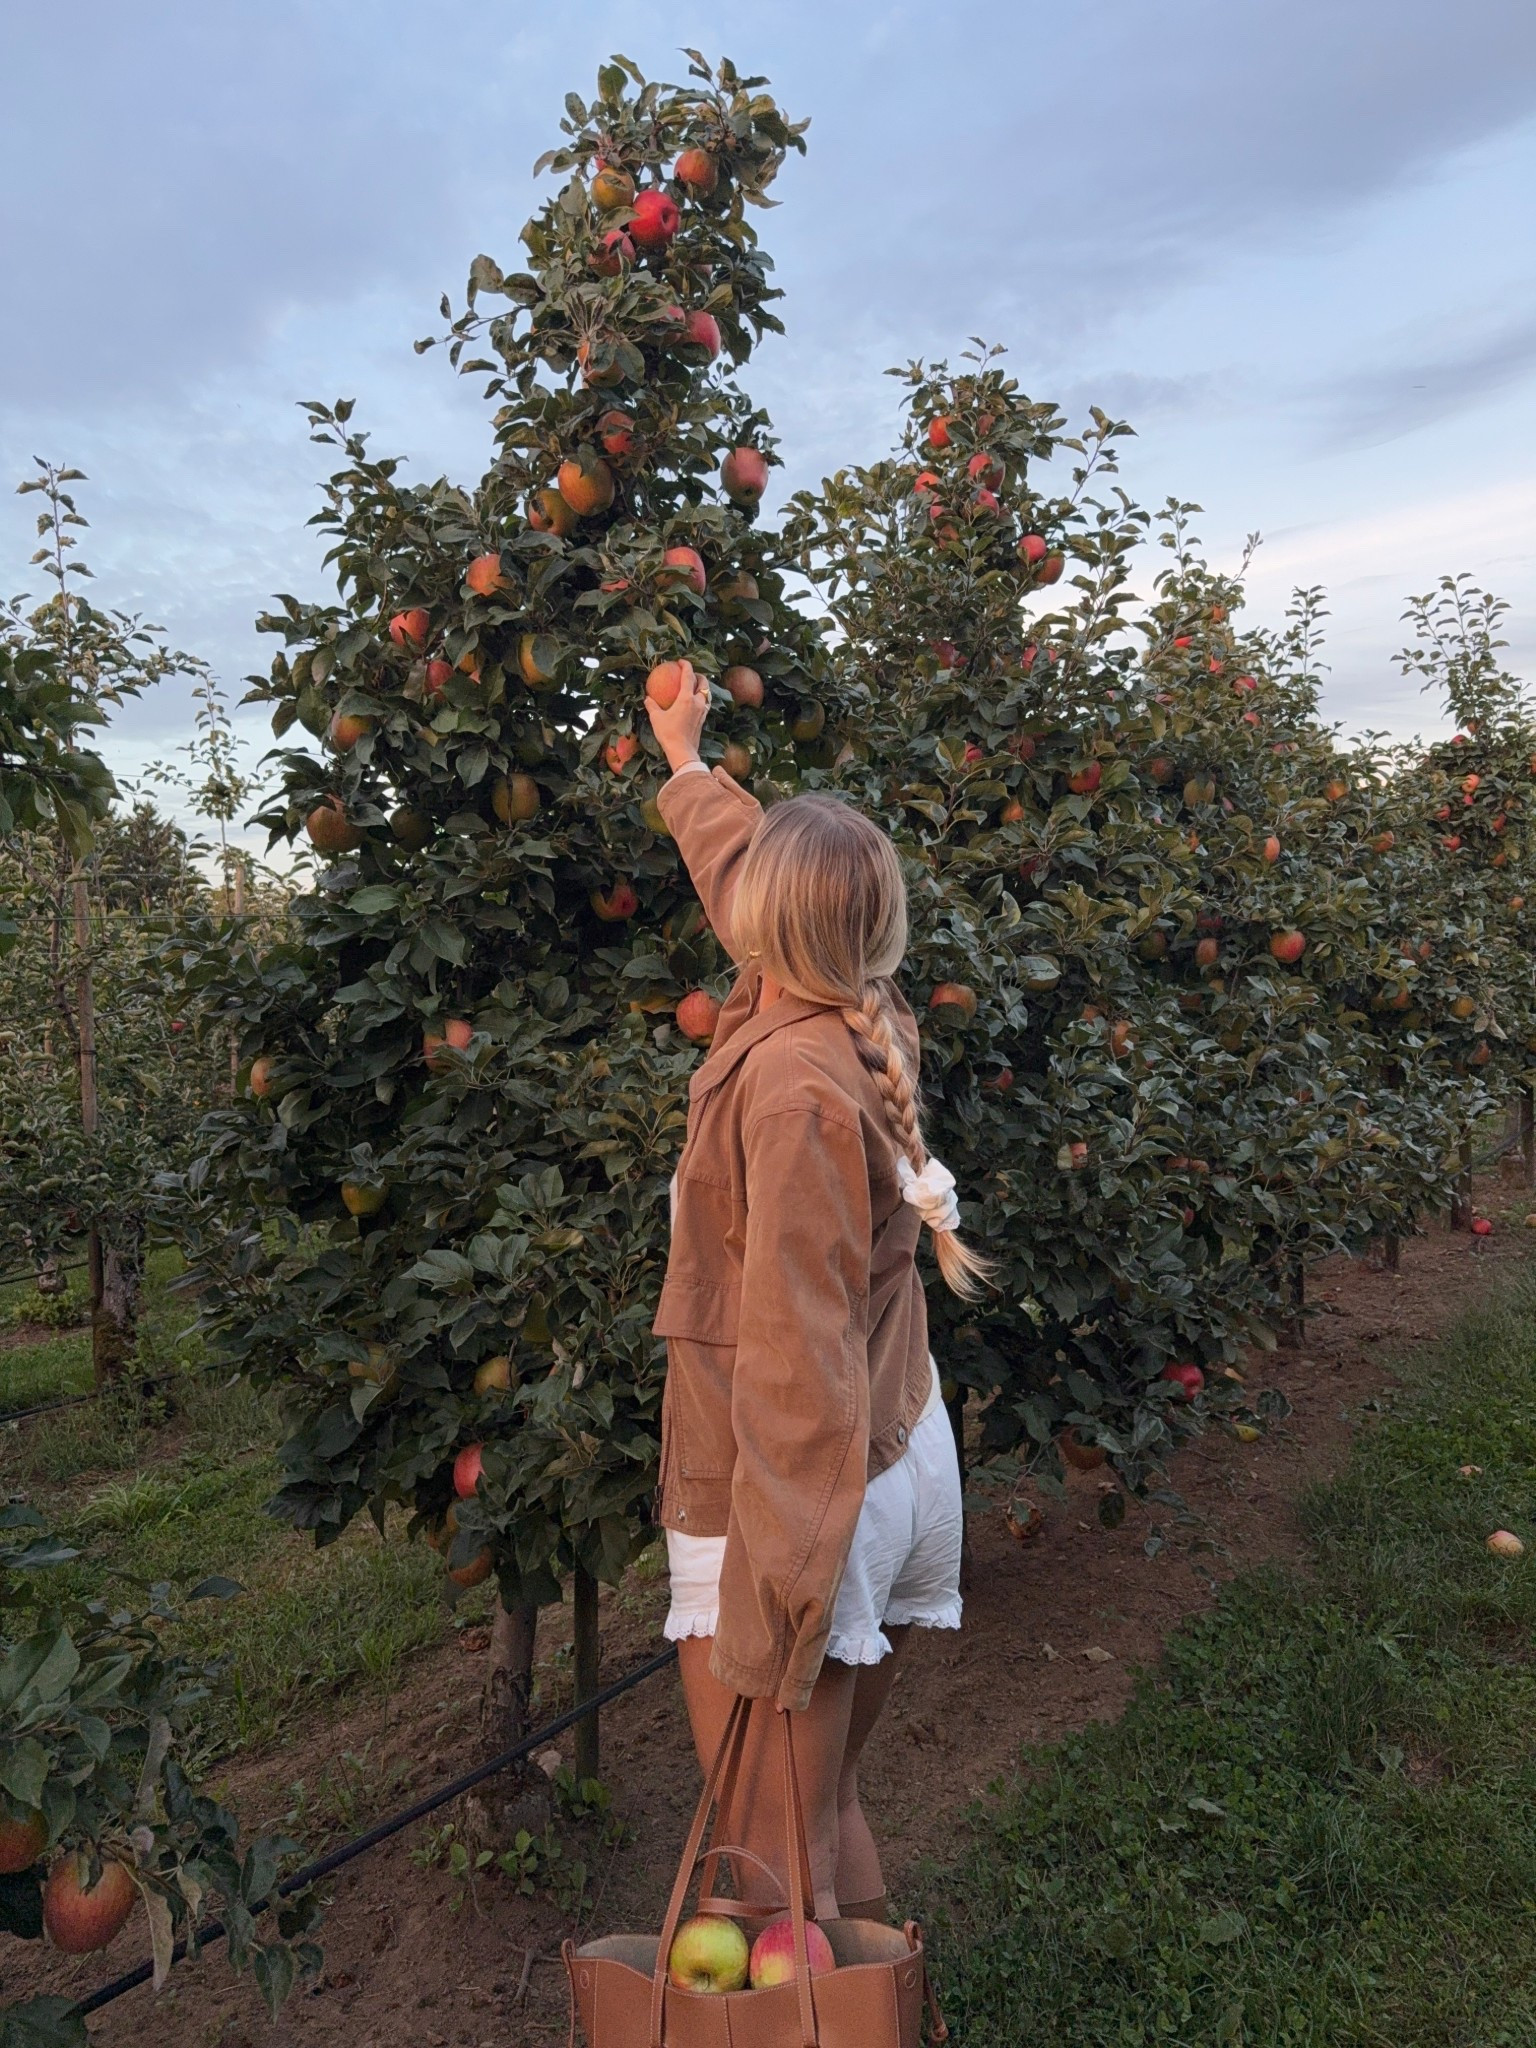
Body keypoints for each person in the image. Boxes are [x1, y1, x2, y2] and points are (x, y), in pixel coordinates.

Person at [645, 663, 990, 1926]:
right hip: (897, 1451)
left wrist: (780, 1600)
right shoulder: (862, 1008)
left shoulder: (788, 1090)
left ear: (762, 933)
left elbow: (794, 1356)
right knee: (825, 1810)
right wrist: (686, 760)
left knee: (772, 1857)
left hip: (797, 1493)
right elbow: (750, 869)